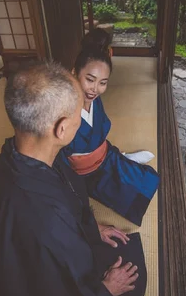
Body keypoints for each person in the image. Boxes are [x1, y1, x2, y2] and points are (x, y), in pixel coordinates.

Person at [0, 61, 147, 296]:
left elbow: (69, 196)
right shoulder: (42, 219)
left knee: (122, 251)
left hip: (46, 250)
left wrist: (91, 229)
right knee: (132, 279)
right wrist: (104, 291)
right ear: (63, 129)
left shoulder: (13, 157)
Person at [62, 41, 160, 227]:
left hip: (105, 155)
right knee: (128, 197)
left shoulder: (94, 100)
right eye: (89, 80)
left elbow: (100, 130)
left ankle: (122, 158)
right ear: (74, 73)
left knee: (148, 178)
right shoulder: (63, 107)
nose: (95, 89)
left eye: (102, 83)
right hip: (85, 173)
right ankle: (122, 161)